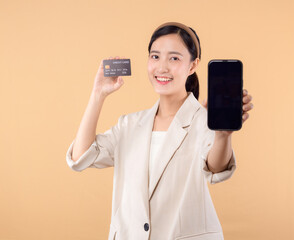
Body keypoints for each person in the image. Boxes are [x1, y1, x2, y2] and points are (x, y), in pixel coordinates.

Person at [66, 22, 253, 240]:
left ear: (193, 65)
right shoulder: (129, 124)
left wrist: (222, 135)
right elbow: (80, 157)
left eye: (174, 58)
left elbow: (216, 168)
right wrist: (98, 94)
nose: (162, 67)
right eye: (155, 57)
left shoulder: (204, 119)